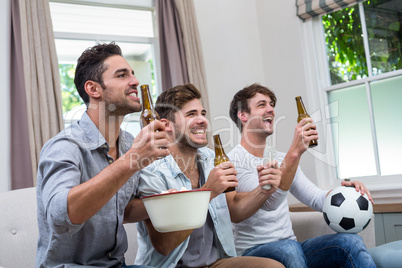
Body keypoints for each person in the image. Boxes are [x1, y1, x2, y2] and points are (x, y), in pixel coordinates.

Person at [36, 42, 170, 267]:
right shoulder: (64, 146)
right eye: (121, 75)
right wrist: (131, 161)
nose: (135, 81)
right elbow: (61, 218)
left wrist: (174, 198)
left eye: (133, 74)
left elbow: (122, 208)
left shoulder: (128, 143)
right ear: (93, 89)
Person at [227, 83, 377, 268]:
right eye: (262, 105)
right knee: (288, 249)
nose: (271, 109)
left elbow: (315, 198)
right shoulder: (233, 161)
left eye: (272, 104)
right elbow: (269, 201)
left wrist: (344, 193)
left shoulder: (282, 158)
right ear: (243, 115)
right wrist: (295, 152)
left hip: (291, 247)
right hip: (254, 252)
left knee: (349, 242)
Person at [135, 83, 284, 268]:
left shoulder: (211, 158)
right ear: (166, 125)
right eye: (191, 114)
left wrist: (263, 189)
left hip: (216, 262)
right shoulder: (152, 171)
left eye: (203, 113)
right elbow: (164, 245)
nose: (202, 120)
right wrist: (208, 192)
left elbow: (235, 210)